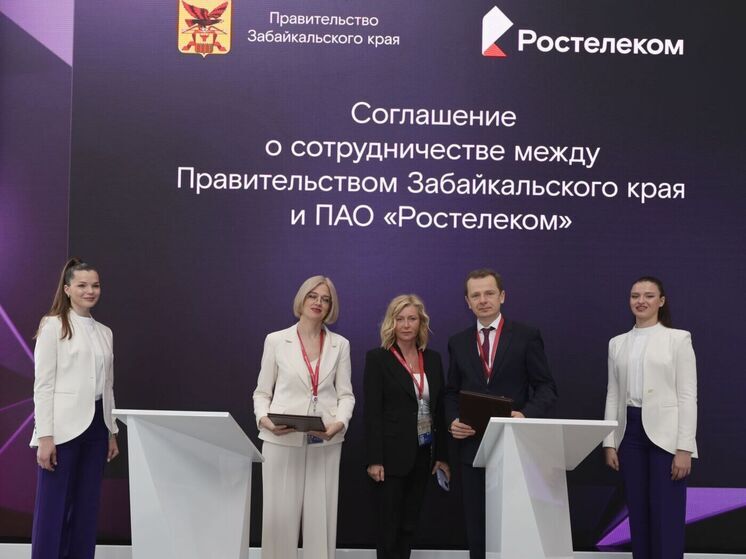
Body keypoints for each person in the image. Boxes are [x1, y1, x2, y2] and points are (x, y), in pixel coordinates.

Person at [444, 268, 558, 559]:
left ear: (502, 296)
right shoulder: (457, 342)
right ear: (467, 302)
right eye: (476, 295)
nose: (483, 300)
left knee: (514, 527)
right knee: (476, 528)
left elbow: (546, 388)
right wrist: (453, 420)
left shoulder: (527, 336)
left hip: (514, 446)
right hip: (472, 448)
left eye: (489, 293)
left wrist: (525, 415)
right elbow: (451, 391)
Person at [253, 275, 355, 559]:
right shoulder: (276, 340)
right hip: (281, 440)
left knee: (321, 522)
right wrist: (265, 420)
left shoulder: (340, 345)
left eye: (325, 299)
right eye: (313, 296)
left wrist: (339, 423)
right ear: (302, 298)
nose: (318, 302)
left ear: (331, 307)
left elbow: (346, 395)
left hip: (325, 441)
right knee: (279, 521)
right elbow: (262, 393)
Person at [30, 258, 120, 559]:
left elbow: (108, 385)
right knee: (52, 509)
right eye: (82, 285)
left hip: (97, 428)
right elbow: (43, 385)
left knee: (87, 508)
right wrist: (45, 436)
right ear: (67, 289)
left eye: (95, 285)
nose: (90, 291)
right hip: (62, 429)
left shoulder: (105, 332)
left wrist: (111, 431)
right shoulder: (52, 325)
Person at [603, 276, 697, 559]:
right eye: (635, 296)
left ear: (661, 301)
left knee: (666, 512)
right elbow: (613, 394)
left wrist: (685, 447)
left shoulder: (678, 339)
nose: (641, 301)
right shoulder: (617, 343)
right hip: (629, 433)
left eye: (648, 295)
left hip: (667, 436)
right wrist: (609, 441)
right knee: (638, 511)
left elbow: (687, 396)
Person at [364, 294, 450, 558]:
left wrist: (442, 456)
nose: (405, 324)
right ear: (391, 323)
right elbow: (372, 413)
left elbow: (440, 410)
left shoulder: (433, 359)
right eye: (399, 319)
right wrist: (374, 459)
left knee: (409, 525)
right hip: (390, 458)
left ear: (420, 322)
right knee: (388, 527)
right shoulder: (378, 358)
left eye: (412, 318)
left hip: (423, 454)